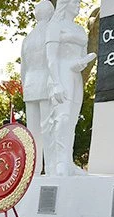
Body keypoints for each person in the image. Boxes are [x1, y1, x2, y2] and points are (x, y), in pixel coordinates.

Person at [44, 0, 96, 176]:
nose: (78, 5)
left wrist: (83, 62)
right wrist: (56, 83)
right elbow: (51, 59)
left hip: (75, 76)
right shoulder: (54, 26)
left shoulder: (80, 29)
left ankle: (68, 161)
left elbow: (80, 55)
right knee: (62, 118)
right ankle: (59, 162)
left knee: (72, 120)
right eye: (75, 1)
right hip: (61, 74)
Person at [22, 0, 55, 175]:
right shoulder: (51, 33)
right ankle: (50, 167)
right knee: (48, 128)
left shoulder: (27, 39)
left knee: (33, 132)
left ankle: (33, 170)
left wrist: (24, 86)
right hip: (46, 84)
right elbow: (53, 62)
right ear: (50, 14)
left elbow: (23, 68)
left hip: (30, 85)